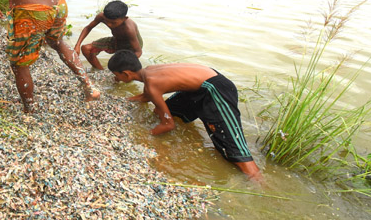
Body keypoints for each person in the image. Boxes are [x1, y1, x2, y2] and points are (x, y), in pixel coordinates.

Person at [107, 50, 262, 181]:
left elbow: (168, 125)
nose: (116, 79)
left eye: (116, 75)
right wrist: (118, 100)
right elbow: (146, 97)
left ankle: (258, 182)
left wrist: (146, 135)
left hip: (215, 90)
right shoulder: (149, 71)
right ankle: (189, 133)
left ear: (126, 74)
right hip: (198, 88)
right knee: (161, 111)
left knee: (234, 150)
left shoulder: (152, 84)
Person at [73, 0, 143, 70]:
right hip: (116, 40)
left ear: (124, 19)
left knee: (120, 68)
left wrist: (124, 63)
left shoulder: (128, 29)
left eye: (113, 23)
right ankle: (101, 71)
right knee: (86, 49)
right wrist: (77, 45)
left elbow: (138, 52)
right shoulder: (101, 16)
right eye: (107, 21)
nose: (109, 24)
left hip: (131, 46)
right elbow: (88, 28)